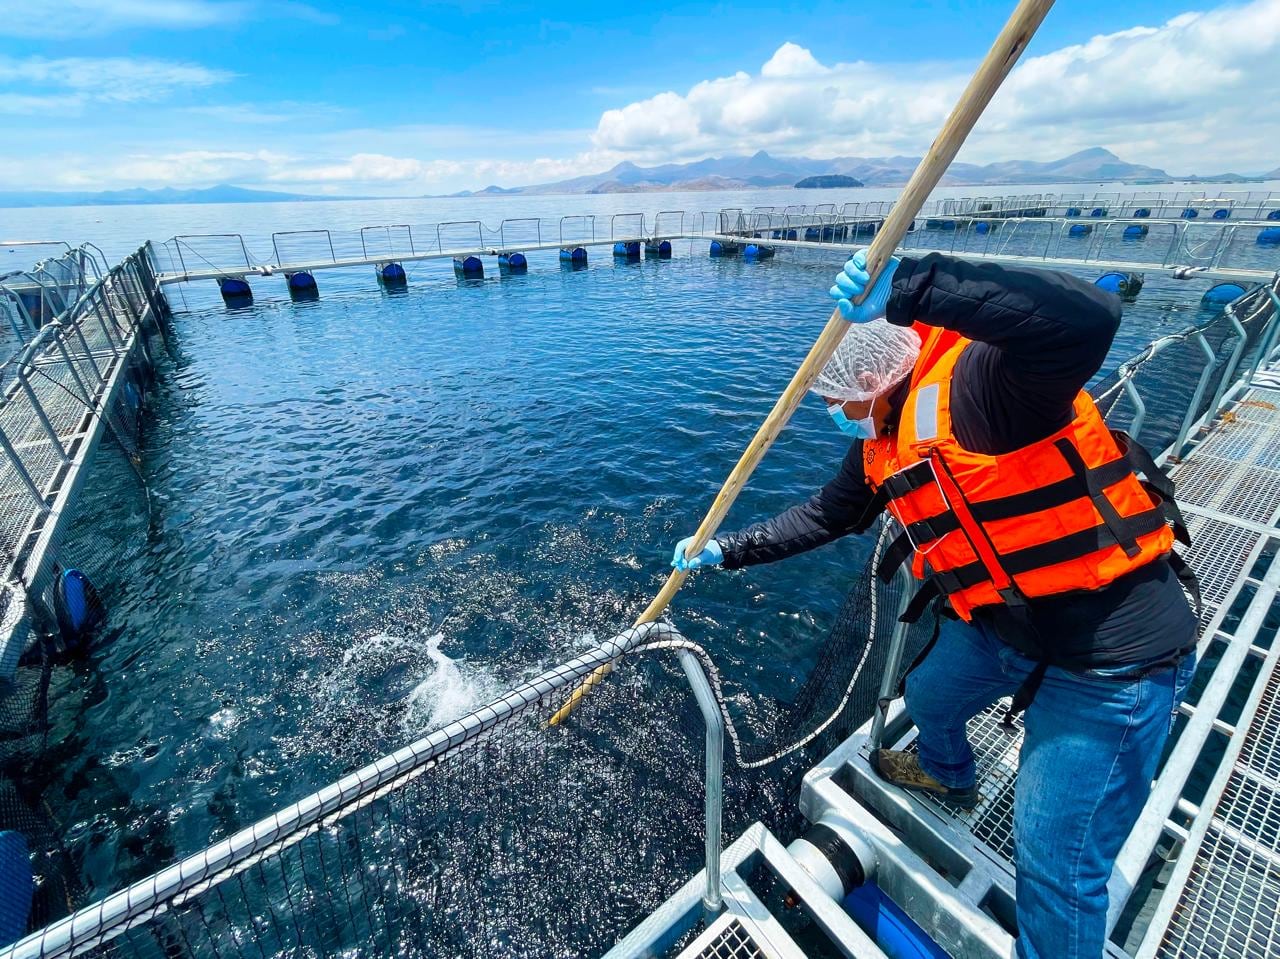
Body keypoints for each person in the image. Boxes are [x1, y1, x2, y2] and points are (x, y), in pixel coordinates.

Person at [669, 250, 1199, 959]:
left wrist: (917, 285)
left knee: (1057, 870)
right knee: (930, 692)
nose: (833, 413)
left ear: (868, 381)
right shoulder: (883, 440)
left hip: (1110, 658)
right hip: (1007, 629)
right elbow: (828, 515)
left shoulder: (985, 388)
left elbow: (1087, 321)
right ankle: (950, 777)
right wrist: (726, 550)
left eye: (834, 401)